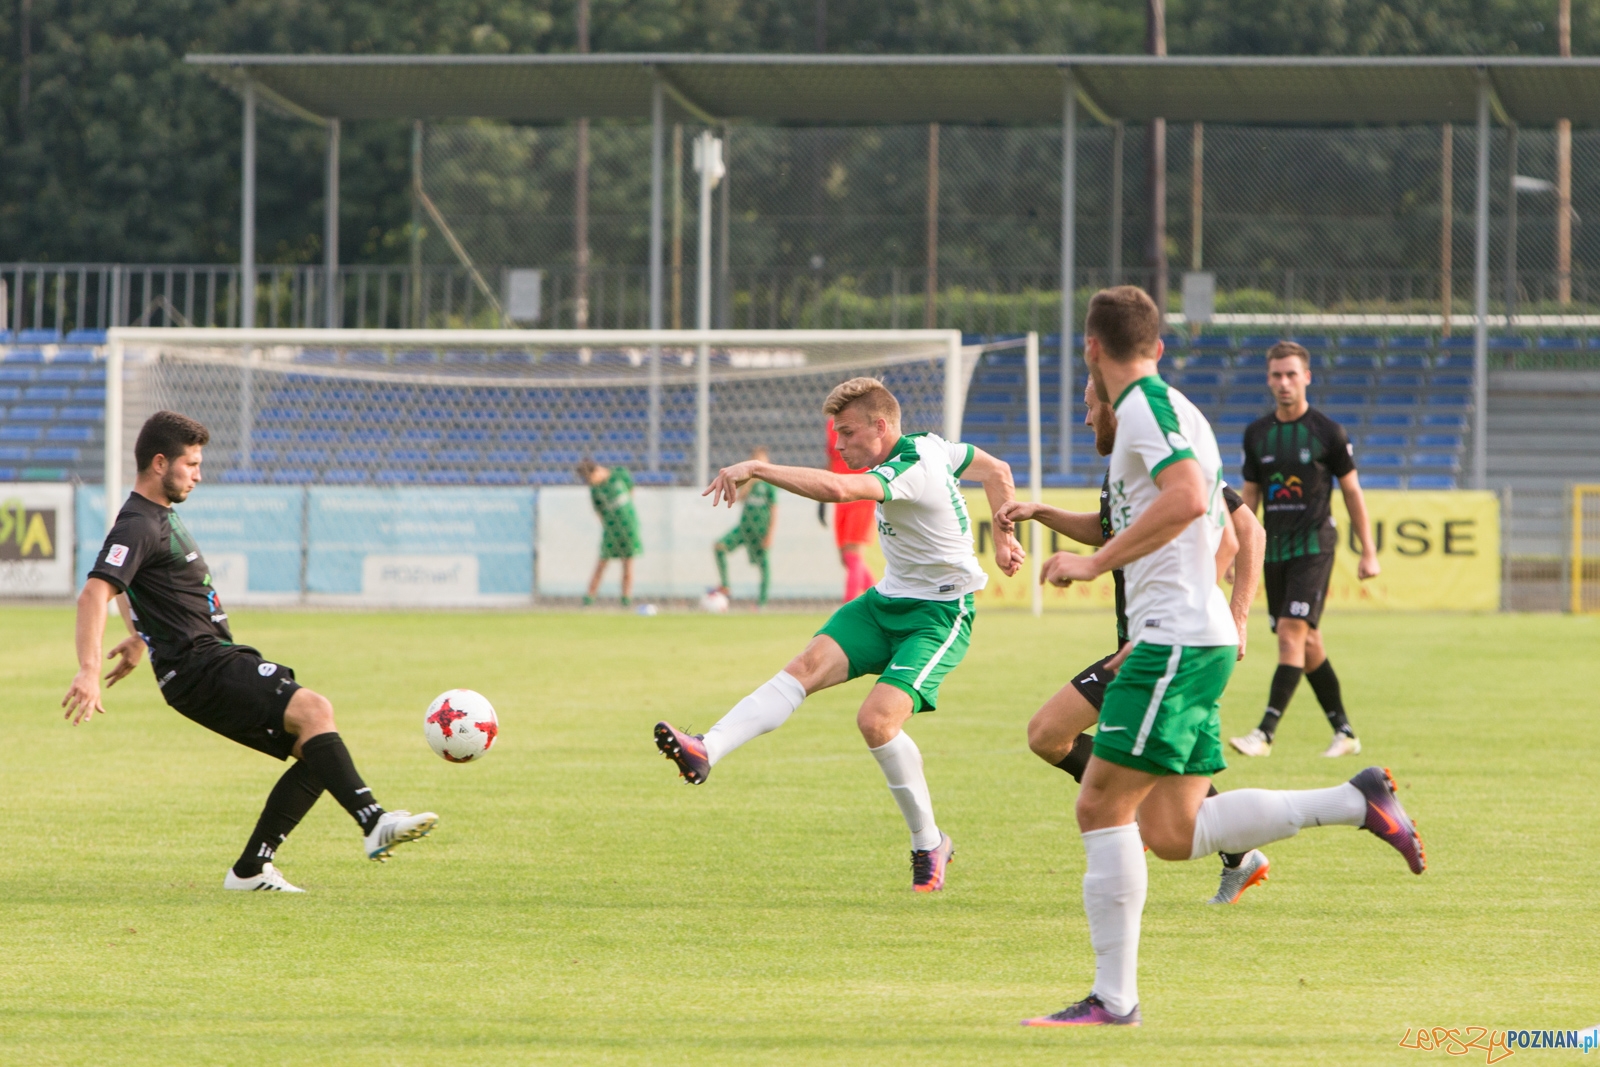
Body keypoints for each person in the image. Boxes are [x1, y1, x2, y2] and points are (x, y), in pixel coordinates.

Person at [1017, 287, 1424, 1028]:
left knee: (1101, 804)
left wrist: (1095, 564)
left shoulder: (1145, 410)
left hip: (1172, 638)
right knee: (1173, 833)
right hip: (1187, 635)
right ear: (1158, 345)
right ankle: (1354, 799)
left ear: (1091, 349)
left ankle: (1114, 999)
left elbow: (1186, 500)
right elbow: (1224, 529)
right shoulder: (1178, 411)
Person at [654, 377, 1023, 892]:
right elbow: (997, 470)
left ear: (881, 426)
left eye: (848, 433)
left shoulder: (914, 464)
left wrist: (758, 468)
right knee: (802, 668)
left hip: (939, 615)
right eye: (837, 434)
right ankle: (705, 749)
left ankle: (928, 842)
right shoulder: (935, 446)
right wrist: (1004, 540)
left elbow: (840, 490)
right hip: (885, 602)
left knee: (876, 721)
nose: (840, 444)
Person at [61, 411, 437, 893]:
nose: (198, 475)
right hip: (201, 665)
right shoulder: (138, 523)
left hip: (201, 665)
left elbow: (131, 585)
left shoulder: (154, 518)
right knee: (315, 710)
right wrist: (88, 669)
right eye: (191, 464)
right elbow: (95, 592)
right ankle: (374, 821)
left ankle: (251, 869)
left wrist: (138, 637)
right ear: (159, 463)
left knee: (318, 747)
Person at [998, 377, 1272, 906]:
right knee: (1167, 779)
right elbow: (1108, 530)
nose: (1085, 419)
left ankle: (1338, 807)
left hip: (1167, 646)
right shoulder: (1126, 461)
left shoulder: (1163, 451)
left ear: (1111, 402)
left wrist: (1236, 615)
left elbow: (1246, 532)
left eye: (1088, 406)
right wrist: (1042, 513)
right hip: (1142, 642)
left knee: (1050, 735)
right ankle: (1241, 852)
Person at [1229, 341, 1381, 759]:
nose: (1284, 382)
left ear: (1307, 377)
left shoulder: (1328, 432)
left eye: (1291, 374)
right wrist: (1239, 552)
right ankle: (1344, 732)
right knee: (1307, 643)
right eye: (1277, 375)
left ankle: (1264, 734)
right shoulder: (1256, 434)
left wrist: (1368, 551)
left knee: (1291, 634)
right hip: (1273, 552)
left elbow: (1352, 492)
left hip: (1314, 547)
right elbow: (1249, 497)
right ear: (1268, 379)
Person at [713, 447, 779, 607]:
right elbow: (739, 499)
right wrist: (749, 482)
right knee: (719, 546)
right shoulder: (748, 482)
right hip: (744, 528)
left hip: (760, 531)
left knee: (764, 565)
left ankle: (761, 603)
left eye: (762, 459)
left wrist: (770, 534)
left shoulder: (770, 484)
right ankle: (725, 585)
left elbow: (774, 509)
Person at [577, 457, 641, 607]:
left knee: (628, 562)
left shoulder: (620, 474)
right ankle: (590, 597)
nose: (590, 482)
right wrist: (607, 524)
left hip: (628, 526)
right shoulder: (595, 489)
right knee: (602, 563)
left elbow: (631, 491)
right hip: (611, 529)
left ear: (597, 471)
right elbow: (598, 510)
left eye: (590, 478)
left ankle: (626, 598)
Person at [827, 416, 877, 600]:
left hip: (861, 492)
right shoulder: (832, 422)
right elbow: (831, 455)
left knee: (853, 554)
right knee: (846, 557)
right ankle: (881, 600)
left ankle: (848, 605)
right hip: (840, 492)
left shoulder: (863, 417)